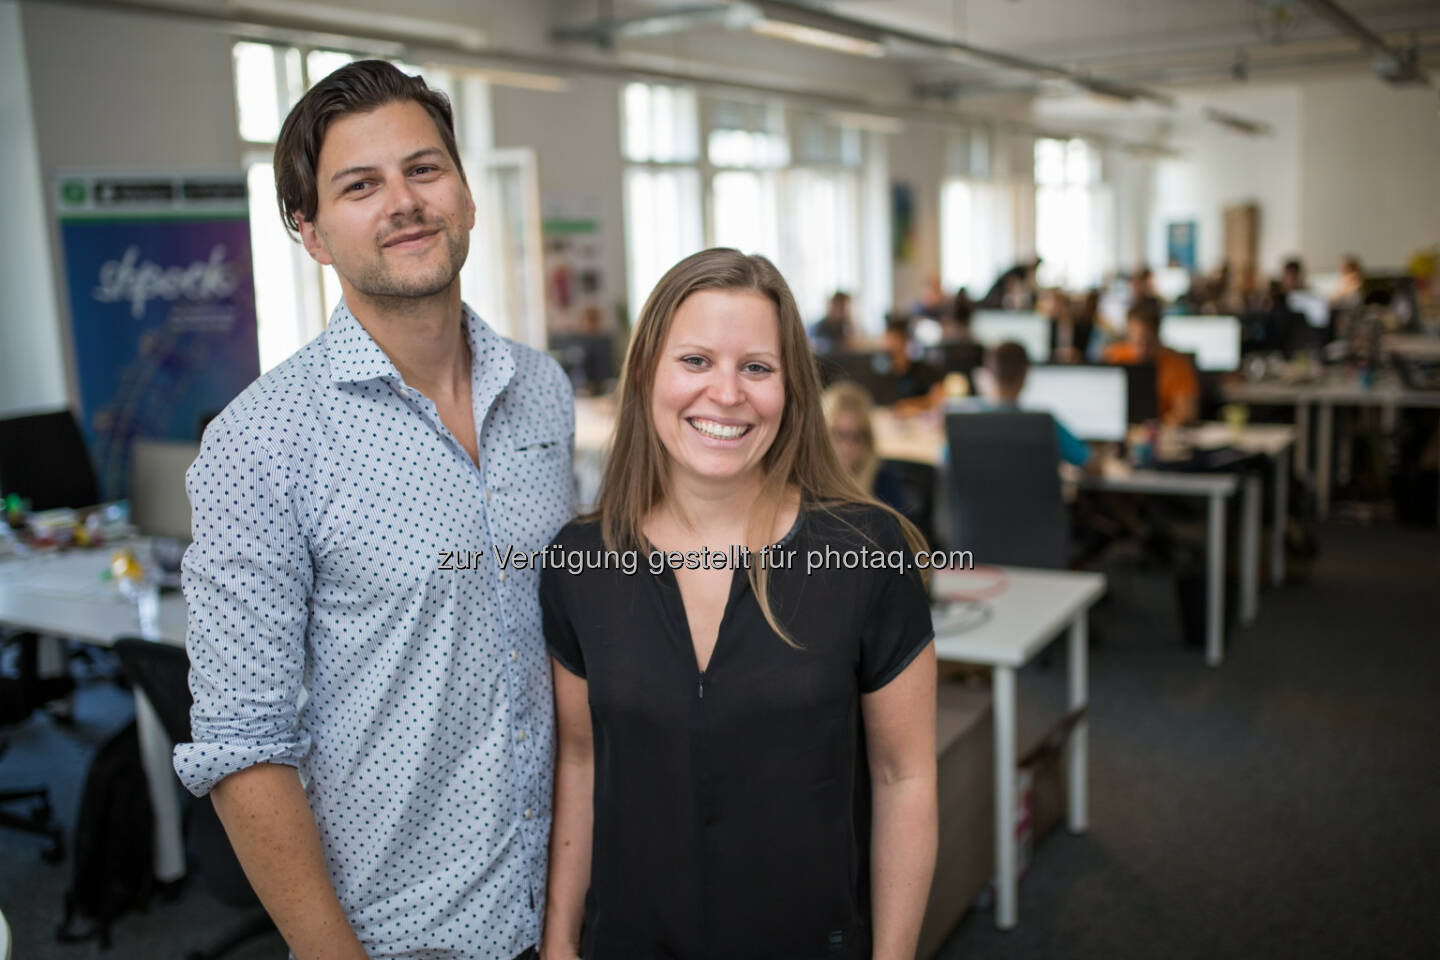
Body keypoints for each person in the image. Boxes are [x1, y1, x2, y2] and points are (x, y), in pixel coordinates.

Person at [173, 61, 574, 960]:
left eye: (424, 170)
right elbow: (243, 748)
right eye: (360, 185)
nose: (404, 201)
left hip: (564, 910)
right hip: (400, 935)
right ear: (310, 234)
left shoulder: (541, 392)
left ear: (467, 196)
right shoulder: (260, 443)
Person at [541, 248, 938, 960]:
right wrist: (561, 944)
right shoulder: (580, 562)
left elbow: (903, 776)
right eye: (695, 361)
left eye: (756, 367)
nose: (726, 394)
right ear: (644, 374)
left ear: (790, 391)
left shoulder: (865, 552)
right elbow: (580, 760)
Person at [970, 341, 1091, 468]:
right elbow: (1086, 461)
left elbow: (949, 465)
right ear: (1026, 374)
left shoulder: (966, 424)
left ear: (986, 374)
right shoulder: (1045, 425)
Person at [1103, 302, 1199, 425]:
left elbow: (1187, 412)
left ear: (1157, 336)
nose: (1141, 350)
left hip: (1161, 433)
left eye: (1148, 342)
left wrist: (1152, 429)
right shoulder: (1114, 358)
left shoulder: (1177, 364)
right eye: (1135, 342)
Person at [822, 380, 907, 512]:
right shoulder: (803, 486)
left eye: (856, 437)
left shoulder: (884, 483)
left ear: (868, 441)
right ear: (822, 436)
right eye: (839, 435)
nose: (846, 447)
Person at [881, 313, 946, 411]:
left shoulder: (924, 370)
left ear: (905, 340)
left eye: (893, 339)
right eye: (887, 339)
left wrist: (911, 405)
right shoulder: (881, 372)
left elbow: (939, 397)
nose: (888, 344)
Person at [809, 290, 854, 355]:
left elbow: (851, 345)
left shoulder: (844, 327)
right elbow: (815, 346)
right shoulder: (818, 327)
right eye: (841, 307)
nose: (843, 312)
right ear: (833, 305)